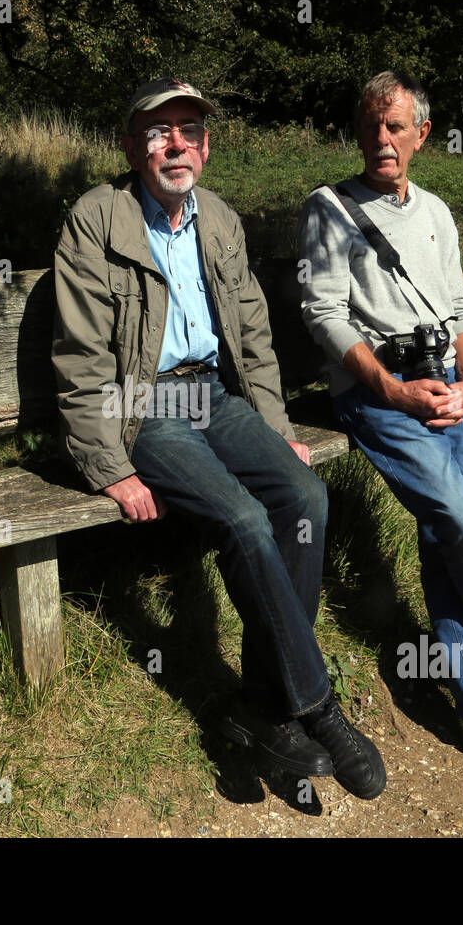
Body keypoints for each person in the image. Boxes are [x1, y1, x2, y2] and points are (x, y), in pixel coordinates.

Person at [52, 78, 384, 799]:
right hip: (139, 402)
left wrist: (276, 430)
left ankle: (262, 707)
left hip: (213, 394)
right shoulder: (95, 220)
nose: (176, 144)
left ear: (206, 145)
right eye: (159, 130)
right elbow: (79, 358)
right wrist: (110, 466)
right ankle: (316, 705)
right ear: (131, 145)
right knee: (240, 518)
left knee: (305, 497)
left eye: (189, 130)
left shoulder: (221, 220)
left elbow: (255, 343)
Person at [297, 70, 463, 787]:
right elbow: (323, 313)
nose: (383, 140)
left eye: (398, 127)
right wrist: (389, 386)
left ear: (422, 136)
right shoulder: (329, 210)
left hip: (447, 393)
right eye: (372, 126)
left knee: (448, 540)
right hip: (380, 399)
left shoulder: (438, 212)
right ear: (358, 132)